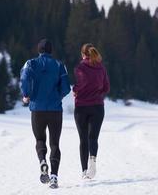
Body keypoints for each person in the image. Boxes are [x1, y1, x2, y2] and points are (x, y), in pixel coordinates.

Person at [20, 39, 71, 188]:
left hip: (37, 109)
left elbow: (24, 78)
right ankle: (54, 177)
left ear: (39, 50)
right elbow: (66, 87)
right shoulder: (59, 65)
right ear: (50, 50)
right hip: (55, 110)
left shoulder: (30, 63)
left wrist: (26, 94)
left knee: (40, 140)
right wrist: (58, 96)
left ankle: (42, 161)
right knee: (55, 143)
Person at [73, 43, 110, 179]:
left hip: (81, 108)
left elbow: (81, 83)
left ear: (83, 54)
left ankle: (84, 171)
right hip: (98, 107)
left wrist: (75, 90)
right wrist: (97, 92)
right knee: (93, 137)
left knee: (83, 139)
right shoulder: (101, 68)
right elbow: (106, 88)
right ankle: (92, 160)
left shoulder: (79, 67)